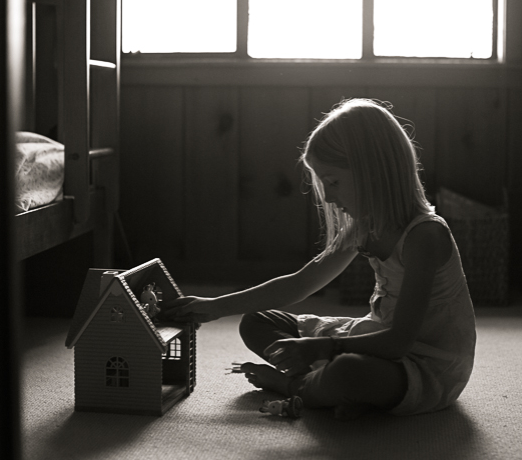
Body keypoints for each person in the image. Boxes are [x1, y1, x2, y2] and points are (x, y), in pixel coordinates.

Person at [158, 98, 476, 420]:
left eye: (333, 182)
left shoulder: (425, 237)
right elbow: (301, 283)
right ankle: (326, 389)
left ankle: (297, 387)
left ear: (374, 173)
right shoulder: (365, 225)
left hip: (425, 365)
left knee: (348, 372)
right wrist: (215, 306)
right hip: (372, 338)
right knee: (256, 321)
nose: (328, 196)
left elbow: (399, 342)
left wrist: (322, 349)